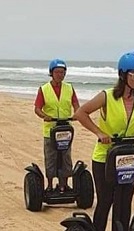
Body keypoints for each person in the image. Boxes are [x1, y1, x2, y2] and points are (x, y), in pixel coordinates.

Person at [73, 51, 134, 231]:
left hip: (129, 156)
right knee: (106, 199)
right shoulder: (106, 96)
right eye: (133, 73)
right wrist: (99, 132)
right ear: (123, 74)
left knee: (125, 200)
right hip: (105, 157)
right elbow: (81, 113)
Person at [34, 58, 80, 193]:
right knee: (51, 157)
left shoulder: (69, 88)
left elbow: (76, 104)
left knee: (66, 156)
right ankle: (49, 185)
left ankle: (63, 184)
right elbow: (37, 108)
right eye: (57, 72)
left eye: (62, 72)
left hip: (65, 129)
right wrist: (44, 116)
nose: (60, 74)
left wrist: (77, 113)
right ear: (51, 73)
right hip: (50, 130)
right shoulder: (44, 89)